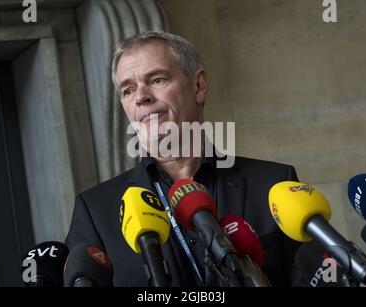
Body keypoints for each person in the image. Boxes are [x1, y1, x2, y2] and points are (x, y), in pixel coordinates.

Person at [65, 31, 301, 286]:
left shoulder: (275, 184)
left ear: (198, 86)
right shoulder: (96, 211)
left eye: (156, 79)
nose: (140, 97)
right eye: (128, 90)